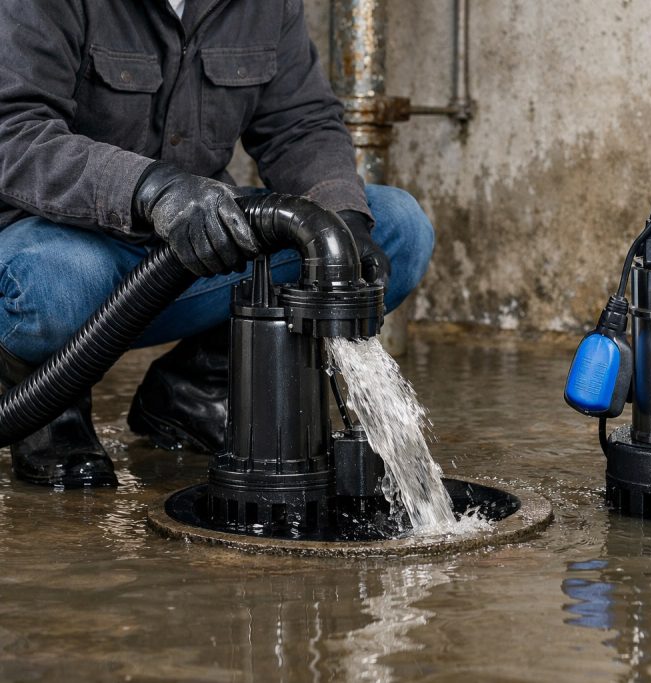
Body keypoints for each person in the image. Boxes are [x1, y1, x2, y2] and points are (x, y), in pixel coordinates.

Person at [0, 0, 435, 489]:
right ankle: (49, 407)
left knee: (396, 228)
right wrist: (150, 189)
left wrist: (345, 219)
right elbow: (14, 133)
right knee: (44, 289)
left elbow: (301, 124)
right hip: (65, 246)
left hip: (198, 244)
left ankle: (194, 393)